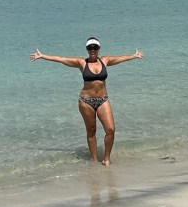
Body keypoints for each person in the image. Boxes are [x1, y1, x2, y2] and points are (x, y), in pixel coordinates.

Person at [30, 37, 143, 165]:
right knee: (91, 131)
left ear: (99, 48)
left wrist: (133, 56)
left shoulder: (105, 60)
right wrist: (42, 56)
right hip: (86, 101)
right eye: (90, 47)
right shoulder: (81, 62)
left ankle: (106, 159)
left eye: (95, 47)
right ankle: (94, 161)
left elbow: (120, 59)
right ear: (87, 49)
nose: (92, 50)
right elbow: (61, 59)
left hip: (103, 100)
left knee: (110, 130)